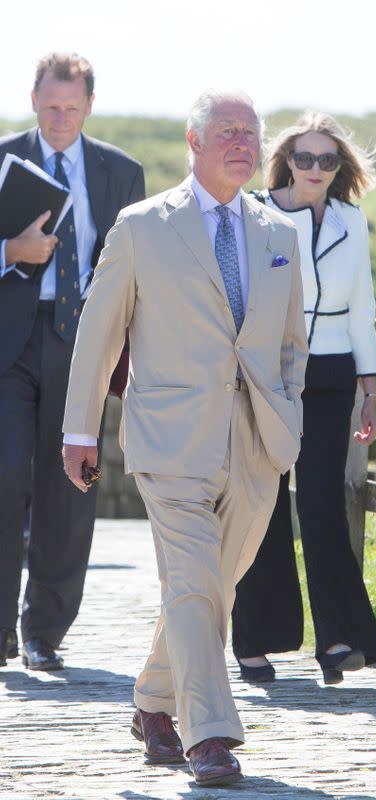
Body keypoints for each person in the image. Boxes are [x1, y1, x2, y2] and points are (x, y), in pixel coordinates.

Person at [62, 89, 308, 786]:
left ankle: (151, 701)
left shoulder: (277, 234)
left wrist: (285, 406)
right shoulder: (142, 227)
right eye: (228, 130)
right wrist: (80, 429)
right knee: (196, 582)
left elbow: (292, 344)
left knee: (210, 588)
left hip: (257, 441)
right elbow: (99, 334)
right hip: (169, 438)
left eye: (251, 133)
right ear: (193, 142)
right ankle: (211, 736)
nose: (242, 142)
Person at [0, 52, 145, 671]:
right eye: (50, 106)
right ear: (34, 100)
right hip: (8, 341)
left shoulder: (120, 171)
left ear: (89, 105)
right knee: (5, 476)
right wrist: (12, 248)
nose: (60, 118)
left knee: (72, 485)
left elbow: (140, 266)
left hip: (84, 340)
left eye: (72, 107)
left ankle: (44, 632)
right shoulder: (2, 157)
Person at [232, 110, 376, 686]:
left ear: (339, 165)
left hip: (332, 374)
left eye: (326, 158)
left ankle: (339, 640)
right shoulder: (257, 213)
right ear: (287, 161)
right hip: (268, 374)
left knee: (320, 505)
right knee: (265, 504)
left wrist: (369, 388)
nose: (314, 168)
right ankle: (254, 641)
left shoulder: (352, 220)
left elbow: (363, 308)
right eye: (304, 157)